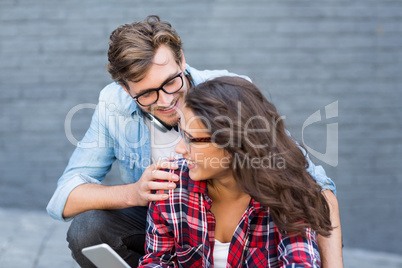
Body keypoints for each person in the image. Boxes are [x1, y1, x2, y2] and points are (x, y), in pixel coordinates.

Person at [46, 15, 342, 267]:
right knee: (87, 230)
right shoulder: (113, 105)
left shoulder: (228, 93)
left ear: (182, 60)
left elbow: (311, 186)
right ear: (125, 89)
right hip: (170, 215)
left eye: (171, 81)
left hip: (238, 216)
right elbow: (65, 195)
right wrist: (134, 193)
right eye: (147, 93)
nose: (167, 101)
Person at [139, 76, 333, 267]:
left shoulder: (287, 195)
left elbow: (300, 261)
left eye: (193, 140)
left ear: (236, 144)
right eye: (182, 134)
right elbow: (157, 260)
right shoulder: (170, 184)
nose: (180, 149)